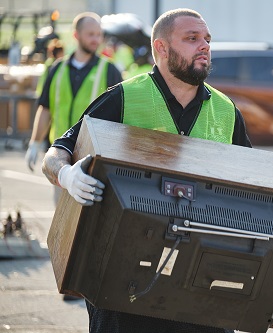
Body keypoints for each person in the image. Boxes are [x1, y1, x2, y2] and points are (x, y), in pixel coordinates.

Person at [41, 8, 250, 333]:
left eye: (207, 39)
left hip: (200, 278)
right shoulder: (124, 98)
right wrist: (67, 175)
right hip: (122, 278)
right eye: (192, 38)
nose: (205, 46)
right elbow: (56, 154)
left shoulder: (226, 111)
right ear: (161, 48)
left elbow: (252, 182)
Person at [25, 12, 122, 177]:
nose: (96, 40)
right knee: (59, 203)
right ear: (76, 35)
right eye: (90, 34)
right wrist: (35, 142)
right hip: (60, 154)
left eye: (99, 34)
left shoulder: (109, 70)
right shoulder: (56, 69)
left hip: (93, 156)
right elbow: (45, 109)